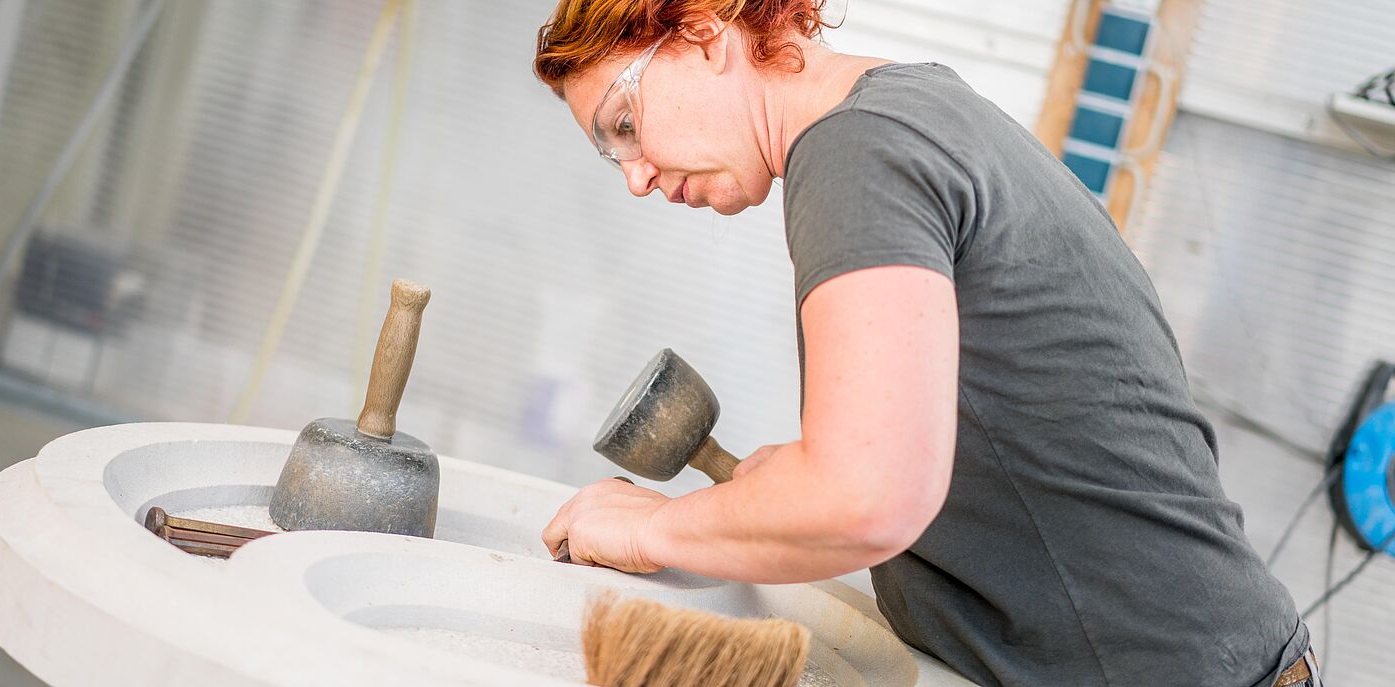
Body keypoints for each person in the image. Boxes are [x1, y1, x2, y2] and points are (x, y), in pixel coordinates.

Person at [531, 1, 1319, 686]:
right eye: (612, 152)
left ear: (704, 35)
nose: (633, 175)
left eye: (624, 125)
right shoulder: (916, 108)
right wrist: (789, 480)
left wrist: (651, 528)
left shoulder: (857, 150)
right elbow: (971, 436)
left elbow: (866, 498)